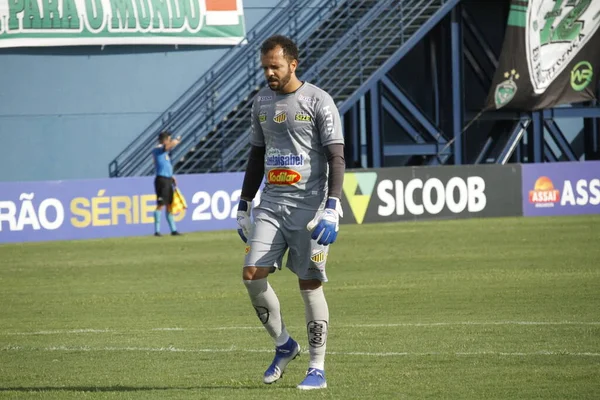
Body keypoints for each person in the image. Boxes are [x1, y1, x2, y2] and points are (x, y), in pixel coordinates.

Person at [236, 34, 345, 390]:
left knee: (309, 284)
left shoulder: (319, 101)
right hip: (271, 204)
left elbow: (336, 157)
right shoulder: (261, 102)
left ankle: (317, 368)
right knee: (252, 275)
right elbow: (255, 155)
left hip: (310, 208)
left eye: (275, 66)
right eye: (265, 67)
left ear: (293, 63)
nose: (269, 72)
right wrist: (244, 204)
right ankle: (284, 344)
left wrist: (332, 207)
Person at [152, 131, 182, 237]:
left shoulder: (164, 153)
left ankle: (173, 230)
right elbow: (168, 146)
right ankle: (157, 230)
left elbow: (165, 165)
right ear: (165, 140)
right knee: (160, 204)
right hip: (162, 180)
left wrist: (172, 176)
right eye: (169, 139)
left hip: (168, 179)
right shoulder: (158, 149)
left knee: (169, 204)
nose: (170, 141)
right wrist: (176, 141)